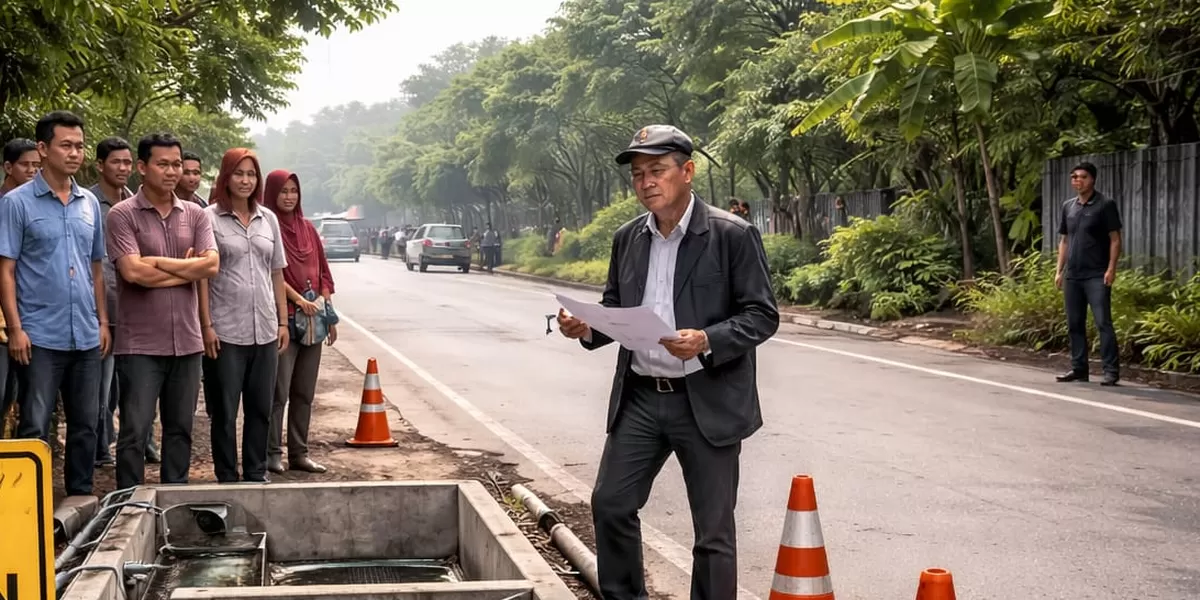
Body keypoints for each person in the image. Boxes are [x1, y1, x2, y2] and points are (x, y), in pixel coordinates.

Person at [556, 124, 779, 599]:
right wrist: (586, 326)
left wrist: (706, 339)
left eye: (657, 171)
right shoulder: (628, 238)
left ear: (688, 171)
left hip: (706, 400)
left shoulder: (730, 234)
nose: (646, 182)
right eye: (638, 175)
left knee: (713, 533)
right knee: (611, 503)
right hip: (641, 398)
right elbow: (615, 308)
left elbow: (762, 315)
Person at [0, 110, 110, 496]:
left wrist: (102, 322)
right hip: (39, 336)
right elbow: (7, 271)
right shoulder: (16, 203)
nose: (75, 153)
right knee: (35, 423)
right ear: (43, 149)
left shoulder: (88, 204)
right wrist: (15, 329)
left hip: (85, 333)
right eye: (66, 145)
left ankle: (79, 500)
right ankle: (31, 505)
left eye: (79, 145)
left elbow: (96, 267)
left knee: (86, 424)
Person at [107, 133, 219, 489]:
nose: (172, 172)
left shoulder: (197, 215)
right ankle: (125, 505)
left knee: (180, 430)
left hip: (187, 342)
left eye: (176, 164)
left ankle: (174, 499)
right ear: (142, 167)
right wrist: (185, 271)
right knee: (134, 432)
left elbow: (212, 266)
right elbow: (132, 272)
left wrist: (157, 263)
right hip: (139, 344)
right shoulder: (121, 215)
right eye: (163, 164)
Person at [198, 148, 288, 483]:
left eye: (251, 174)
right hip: (225, 331)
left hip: (264, 329)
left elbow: (276, 272)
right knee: (223, 411)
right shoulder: (207, 219)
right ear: (225, 177)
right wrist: (206, 325)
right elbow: (202, 277)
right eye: (239, 173)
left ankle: (255, 471)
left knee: (261, 409)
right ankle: (226, 475)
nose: (245, 180)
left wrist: (281, 321)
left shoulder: (269, 219)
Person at [262, 170, 336, 474]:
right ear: (272, 194)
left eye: (294, 191)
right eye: (283, 191)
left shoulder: (308, 229)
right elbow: (272, 271)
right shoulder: (268, 227)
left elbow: (324, 274)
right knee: (278, 392)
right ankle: (271, 454)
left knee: (304, 392)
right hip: (285, 321)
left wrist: (326, 310)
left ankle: (299, 453)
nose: (289, 197)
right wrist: (297, 300)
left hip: (314, 322)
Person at [88, 136, 134, 468]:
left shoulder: (134, 201)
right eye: (116, 162)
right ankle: (98, 449)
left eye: (128, 162)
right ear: (100, 164)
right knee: (99, 388)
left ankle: (130, 445)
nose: (123, 168)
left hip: (134, 309)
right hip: (99, 310)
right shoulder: (87, 202)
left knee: (126, 387)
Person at [1055, 161, 1122, 386]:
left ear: (1092, 179)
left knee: (1103, 322)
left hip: (1096, 274)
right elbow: (1064, 240)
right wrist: (1059, 271)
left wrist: (1111, 268)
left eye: (1082, 177)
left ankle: (1110, 371)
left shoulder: (1105, 205)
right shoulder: (1068, 206)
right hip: (1073, 275)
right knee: (1075, 323)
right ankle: (1079, 369)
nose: (1077, 181)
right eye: (1074, 177)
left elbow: (1115, 239)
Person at [0, 138, 40, 428]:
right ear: (7, 167)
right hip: (5, 320)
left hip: (32, 316)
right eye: (25, 165)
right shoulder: (6, 205)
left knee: (23, 395)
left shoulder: (39, 205)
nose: (31, 171)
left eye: (36, 165)